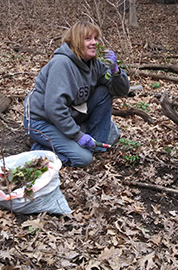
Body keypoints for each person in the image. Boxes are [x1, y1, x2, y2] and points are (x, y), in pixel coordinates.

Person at [23, 22, 130, 167]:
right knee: (83, 159)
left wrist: (116, 72)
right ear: (77, 42)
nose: (94, 43)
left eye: (95, 38)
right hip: (42, 121)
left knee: (104, 92)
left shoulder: (94, 64)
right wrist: (78, 136)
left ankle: (96, 146)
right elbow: (54, 108)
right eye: (88, 39)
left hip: (69, 114)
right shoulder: (62, 63)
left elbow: (120, 91)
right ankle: (41, 148)